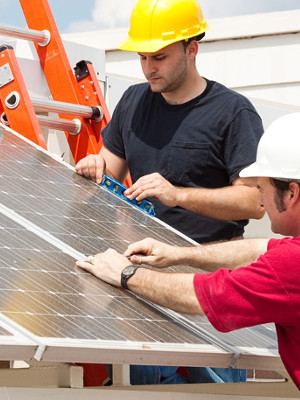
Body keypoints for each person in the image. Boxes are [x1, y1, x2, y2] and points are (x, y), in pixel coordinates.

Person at [75, 0, 264, 385]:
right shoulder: (133, 101)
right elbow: (107, 173)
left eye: (159, 57)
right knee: (146, 388)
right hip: (142, 280)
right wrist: (93, 168)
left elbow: (254, 202)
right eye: (143, 57)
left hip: (208, 285)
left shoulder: (233, 113)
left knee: (218, 390)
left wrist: (178, 194)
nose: (148, 68)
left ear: (191, 48)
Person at [76, 112, 300, 390]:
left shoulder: (292, 265)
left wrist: (127, 273)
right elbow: (259, 249)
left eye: (262, 188)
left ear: (292, 194)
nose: (261, 199)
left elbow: (207, 296)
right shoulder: (292, 254)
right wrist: (178, 254)